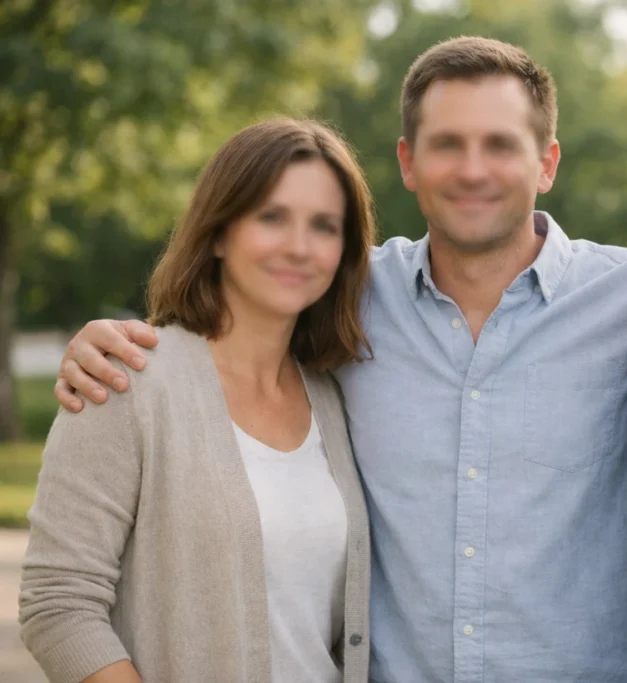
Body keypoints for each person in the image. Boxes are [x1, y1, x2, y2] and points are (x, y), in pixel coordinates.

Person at [51, 38, 627, 682]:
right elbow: (244, 293)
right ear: (407, 161)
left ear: (546, 161)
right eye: (447, 144)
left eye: (501, 144)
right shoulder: (349, 300)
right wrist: (110, 340)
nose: (474, 169)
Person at [19, 118, 374, 683]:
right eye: (272, 217)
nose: (299, 247)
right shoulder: (126, 380)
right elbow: (58, 605)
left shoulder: (335, 396)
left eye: (325, 226)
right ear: (217, 233)